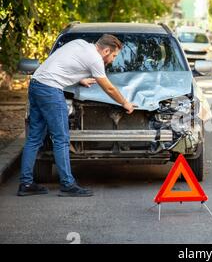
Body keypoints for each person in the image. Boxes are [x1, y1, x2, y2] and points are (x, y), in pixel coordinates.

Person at [17, 34, 136, 197]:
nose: (113, 60)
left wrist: (80, 80)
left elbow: (64, 63)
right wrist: (125, 103)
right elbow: (108, 88)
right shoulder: (95, 59)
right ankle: (67, 184)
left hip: (36, 84)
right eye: (114, 55)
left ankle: (26, 183)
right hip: (51, 90)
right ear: (106, 50)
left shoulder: (80, 43)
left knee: (34, 138)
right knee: (61, 139)